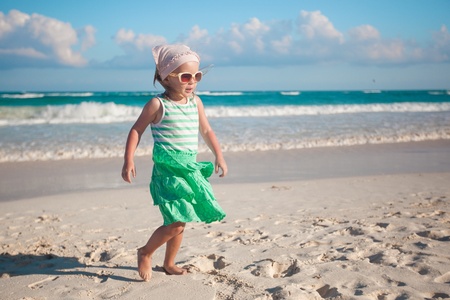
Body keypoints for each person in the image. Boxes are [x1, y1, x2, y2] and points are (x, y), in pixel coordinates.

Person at [121, 44, 227, 282]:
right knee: (176, 223)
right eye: (186, 76)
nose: (192, 82)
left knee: (181, 219)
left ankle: (169, 263)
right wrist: (129, 159)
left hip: (189, 168)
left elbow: (207, 130)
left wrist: (218, 155)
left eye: (197, 76)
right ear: (166, 78)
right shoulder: (158, 105)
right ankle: (145, 252)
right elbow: (136, 130)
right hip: (168, 171)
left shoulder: (196, 102)